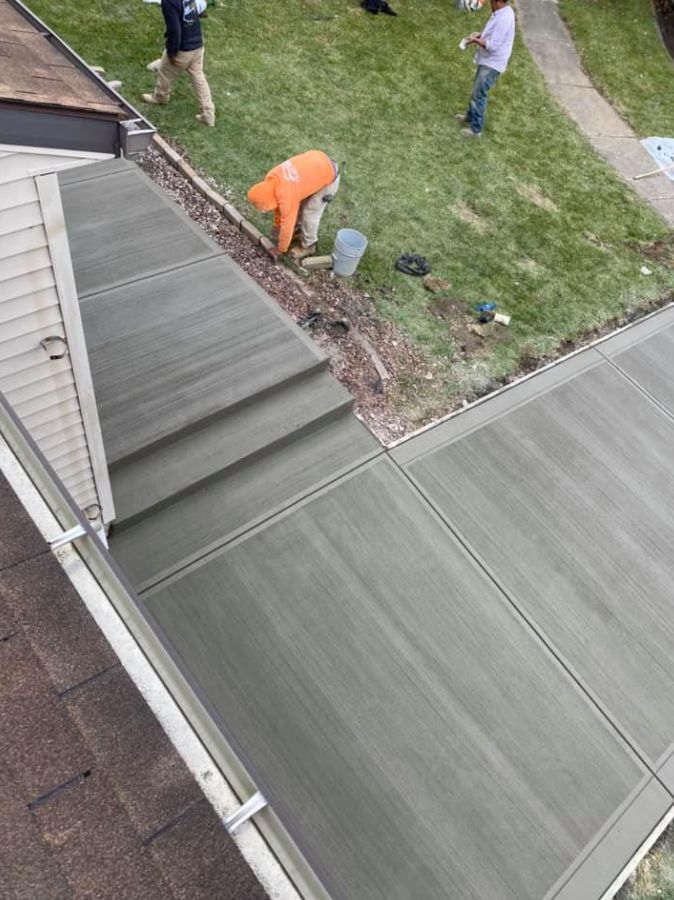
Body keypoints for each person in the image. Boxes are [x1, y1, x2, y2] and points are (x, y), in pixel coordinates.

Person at [247, 151, 341, 260]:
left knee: (310, 212)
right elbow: (278, 207)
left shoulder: (286, 196)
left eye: (263, 208)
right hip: (317, 160)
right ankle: (297, 231)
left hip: (329, 175)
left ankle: (309, 245)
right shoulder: (272, 177)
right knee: (297, 204)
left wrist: (280, 249)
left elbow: (287, 224)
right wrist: (277, 225)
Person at [142, 0, 215, 127]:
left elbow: (174, 30)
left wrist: (172, 53)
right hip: (197, 45)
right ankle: (208, 113)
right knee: (198, 77)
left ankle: (160, 97)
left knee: (165, 71)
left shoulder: (168, 2)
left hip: (183, 49)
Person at [456, 0, 515, 138]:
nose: (489, 3)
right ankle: (470, 116)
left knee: (479, 94)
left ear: (498, 1)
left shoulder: (504, 18)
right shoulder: (502, 12)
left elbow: (492, 45)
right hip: (489, 60)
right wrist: (480, 35)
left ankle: (476, 129)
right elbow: (492, 34)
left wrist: (475, 40)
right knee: (476, 90)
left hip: (492, 63)